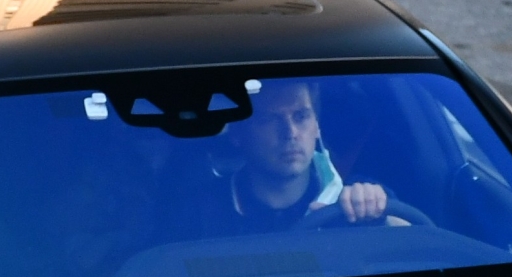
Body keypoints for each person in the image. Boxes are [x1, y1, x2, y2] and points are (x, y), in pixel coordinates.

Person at [168, 79, 407, 235]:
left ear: (316, 127)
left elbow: (422, 252)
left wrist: (380, 218)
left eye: (301, 116)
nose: (290, 133)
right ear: (238, 134)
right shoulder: (196, 211)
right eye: (270, 120)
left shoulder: (354, 199)